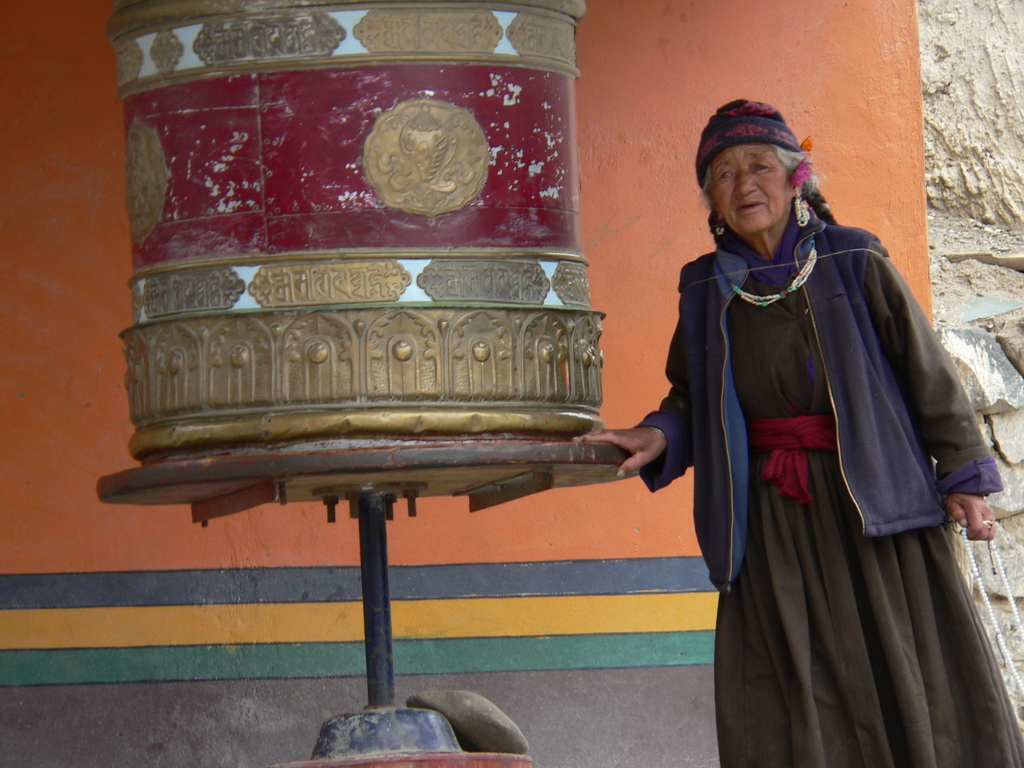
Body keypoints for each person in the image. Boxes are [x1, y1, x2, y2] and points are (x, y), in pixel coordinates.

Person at [578, 100, 1024, 767]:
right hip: (770, 521)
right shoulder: (705, 287)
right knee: (787, 683)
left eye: (759, 166)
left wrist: (964, 478)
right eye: (723, 175)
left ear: (795, 178)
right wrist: (659, 436)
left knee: (905, 662)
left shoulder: (854, 260)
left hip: (873, 505)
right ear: (712, 199)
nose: (743, 185)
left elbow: (926, 373)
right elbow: (693, 394)